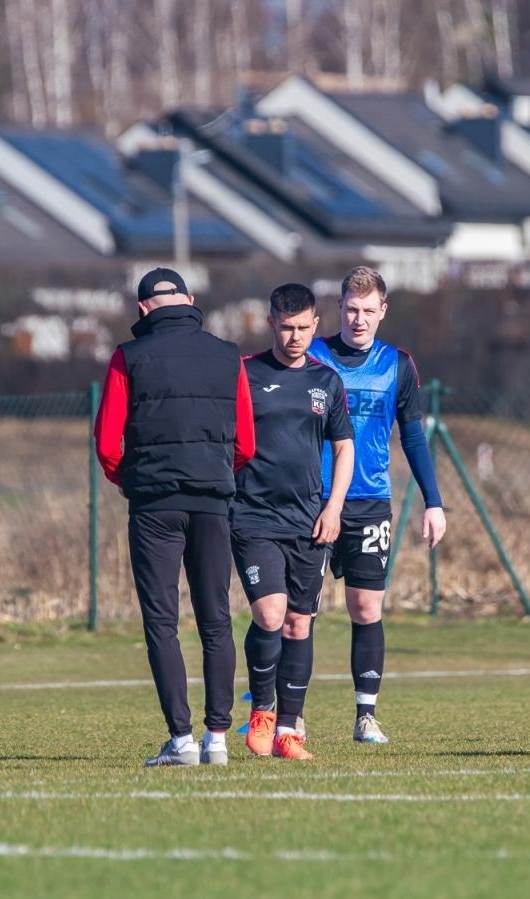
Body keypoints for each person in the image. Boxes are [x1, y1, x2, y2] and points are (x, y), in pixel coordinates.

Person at [94, 268, 255, 767]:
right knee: (216, 619)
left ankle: (181, 740)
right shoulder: (229, 356)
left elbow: (107, 443)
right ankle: (217, 738)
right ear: (190, 300)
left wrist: (133, 480)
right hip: (213, 501)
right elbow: (247, 443)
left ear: (143, 309)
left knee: (162, 622)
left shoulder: (128, 356)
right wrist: (213, 472)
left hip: (154, 505)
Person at [306, 266, 446, 744]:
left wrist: (433, 502)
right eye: (351, 309)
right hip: (312, 499)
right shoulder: (312, 355)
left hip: (369, 501)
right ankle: (285, 715)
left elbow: (413, 436)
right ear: (339, 308)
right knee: (297, 611)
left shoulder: (397, 365)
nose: (359, 319)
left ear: (383, 311)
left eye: (368, 310)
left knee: (366, 607)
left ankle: (365, 716)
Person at [233, 283, 355, 761]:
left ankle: (289, 731)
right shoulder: (244, 375)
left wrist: (334, 507)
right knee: (270, 614)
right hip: (253, 517)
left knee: (299, 624)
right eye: (286, 327)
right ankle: (262, 710)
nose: (295, 336)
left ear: (316, 324)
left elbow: (343, 448)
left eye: (304, 327)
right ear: (271, 324)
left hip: (309, 521)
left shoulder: (327, 382)